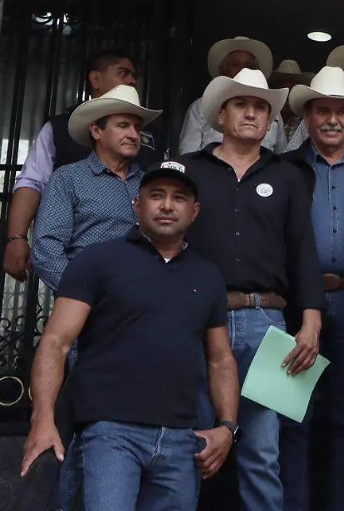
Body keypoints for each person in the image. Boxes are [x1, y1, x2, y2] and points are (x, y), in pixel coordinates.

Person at [20, 161, 240, 511]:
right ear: (137, 205)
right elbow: (55, 342)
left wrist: (227, 427)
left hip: (183, 436)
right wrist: (43, 419)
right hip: (110, 432)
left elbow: (220, 358)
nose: (167, 205)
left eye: (179, 198)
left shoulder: (209, 275)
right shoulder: (98, 261)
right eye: (156, 195)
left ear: (194, 211)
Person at [181, 67, 326, 510]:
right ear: (220, 116)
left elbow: (303, 251)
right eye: (241, 104)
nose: (251, 113)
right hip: (199, 321)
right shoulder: (188, 172)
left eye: (261, 107)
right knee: (192, 445)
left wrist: (311, 324)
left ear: (271, 121)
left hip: (270, 324)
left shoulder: (288, 176)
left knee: (263, 453)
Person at [283, 65, 344, 511]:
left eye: (341, 112)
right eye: (322, 110)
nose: (332, 120)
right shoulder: (284, 170)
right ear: (307, 117)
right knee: (290, 417)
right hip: (294, 306)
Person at [4, 49, 167, 282]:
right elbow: (33, 182)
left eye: (136, 128)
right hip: (86, 292)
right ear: (95, 79)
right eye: (123, 73)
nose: (133, 80)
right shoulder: (64, 162)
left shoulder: (150, 160)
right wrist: (16, 237)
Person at [32, 85, 162, 293]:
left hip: (145, 307)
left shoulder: (151, 184)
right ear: (96, 131)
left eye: (137, 128)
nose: (134, 135)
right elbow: (46, 249)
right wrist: (83, 294)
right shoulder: (68, 178)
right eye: (123, 125)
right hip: (89, 311)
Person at [179, 36, 286, 155]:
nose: (242, 70)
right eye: (235, 64)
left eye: (249, 66)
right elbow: (188, 155)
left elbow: (281, 155)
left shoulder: (272, 110)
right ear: (223, 70)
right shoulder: (200, 107)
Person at [269, 59, 314, 145]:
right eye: (283, 87)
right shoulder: (267, 118)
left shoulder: (305, 123)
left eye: (292, 88)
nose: (288, 93)